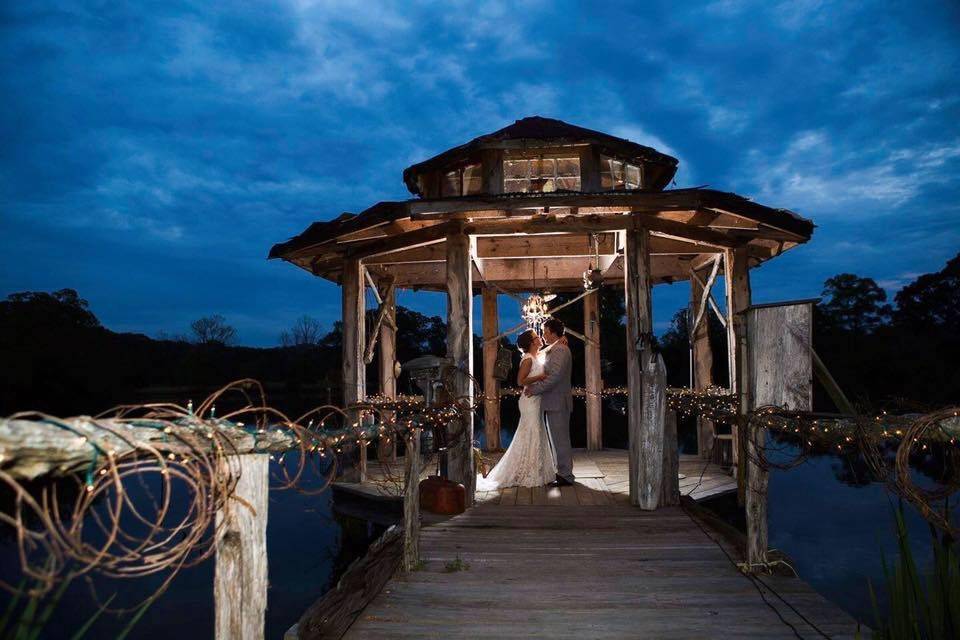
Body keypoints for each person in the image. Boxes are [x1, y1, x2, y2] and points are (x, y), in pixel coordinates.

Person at [476, 329, 557, 490]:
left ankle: (538, 470)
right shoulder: (527, 359)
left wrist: (557, 342)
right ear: (532, 342)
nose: (540, 337)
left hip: (537, 400)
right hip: (529, 401)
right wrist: (540, 377)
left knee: (537, 433)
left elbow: (546, 350)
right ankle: (529, 472)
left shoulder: (536, 356)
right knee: (531, 433)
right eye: (536, 336)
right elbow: (521, 381)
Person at [524, 318, 575, 487]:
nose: (543, 335)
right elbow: (542, 354)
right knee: (557, 439)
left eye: (546, 332)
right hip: (554, 402)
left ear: (553, 332)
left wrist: (534, 389)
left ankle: (566, 475)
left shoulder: (560, 350)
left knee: (561, 440)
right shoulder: (557, 347)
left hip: (558, 401)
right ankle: (562, 472)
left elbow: (554, 377)